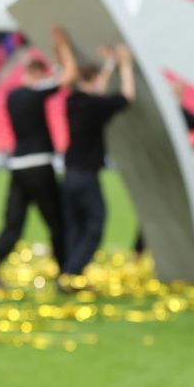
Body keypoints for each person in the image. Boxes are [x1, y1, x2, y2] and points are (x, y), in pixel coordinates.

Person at [0, 27, 77, 288]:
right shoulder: (36, 92)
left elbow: (56, 76)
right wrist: (63, 44)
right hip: (39, 165)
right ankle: (64, 273)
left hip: (18, 166)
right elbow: (67, 75)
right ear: (36, 75)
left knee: (13, 223)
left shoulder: (13, 96)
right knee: (56, 221)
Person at [59, 44, 135, 286]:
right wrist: (125, 65)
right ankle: (72, 273)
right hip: (86, 176)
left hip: (69, 175)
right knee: (95, 224)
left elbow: (96, 89)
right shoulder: (95, 105)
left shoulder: (73, 102)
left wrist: (109, 65)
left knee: (74, 226)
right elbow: (127, 96)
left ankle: (70, 273)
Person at [133, 80, 194, 257]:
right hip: (170, 169)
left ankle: (141, 252)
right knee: (166, 210)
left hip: (165, 169)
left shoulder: (166, 113)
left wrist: (189, 146)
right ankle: (155, 251)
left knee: (156, 210)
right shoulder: (174, 113)